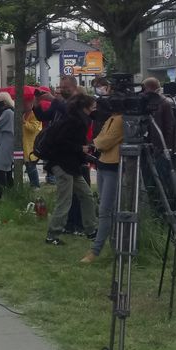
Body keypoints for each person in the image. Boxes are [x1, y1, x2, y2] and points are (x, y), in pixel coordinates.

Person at [38, 93, 99, 246]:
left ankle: (91, 229)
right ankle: (53, 235)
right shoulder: (76, 121)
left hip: (70, 165)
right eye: (93, 106)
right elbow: (62, 142)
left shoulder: (75, 118)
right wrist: (81, 148)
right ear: (85, 107)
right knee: (65, 200)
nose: (95, 109)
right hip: (63, 164)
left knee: (86, 195)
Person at [82, 103, 122, 264]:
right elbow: (101, 137)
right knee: (105, 209)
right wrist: (97, 143)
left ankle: (96, 250)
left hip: (113, 165)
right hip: (104, 164)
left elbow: (104, 141)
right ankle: (115, 249)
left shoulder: (120, 120)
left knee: (105, 210)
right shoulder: (112, 118)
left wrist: (95, 144)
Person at [22, 99, 43, 188]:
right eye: (24, 103)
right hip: (24, 143)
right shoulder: (23, 114)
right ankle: (32, 184)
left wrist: (24, 122)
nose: (25, 104)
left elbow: (34, 128)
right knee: (28, 165)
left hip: (32, 143)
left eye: (27, 102)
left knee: (31, 165)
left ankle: (36, 185)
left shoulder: (35, 114)